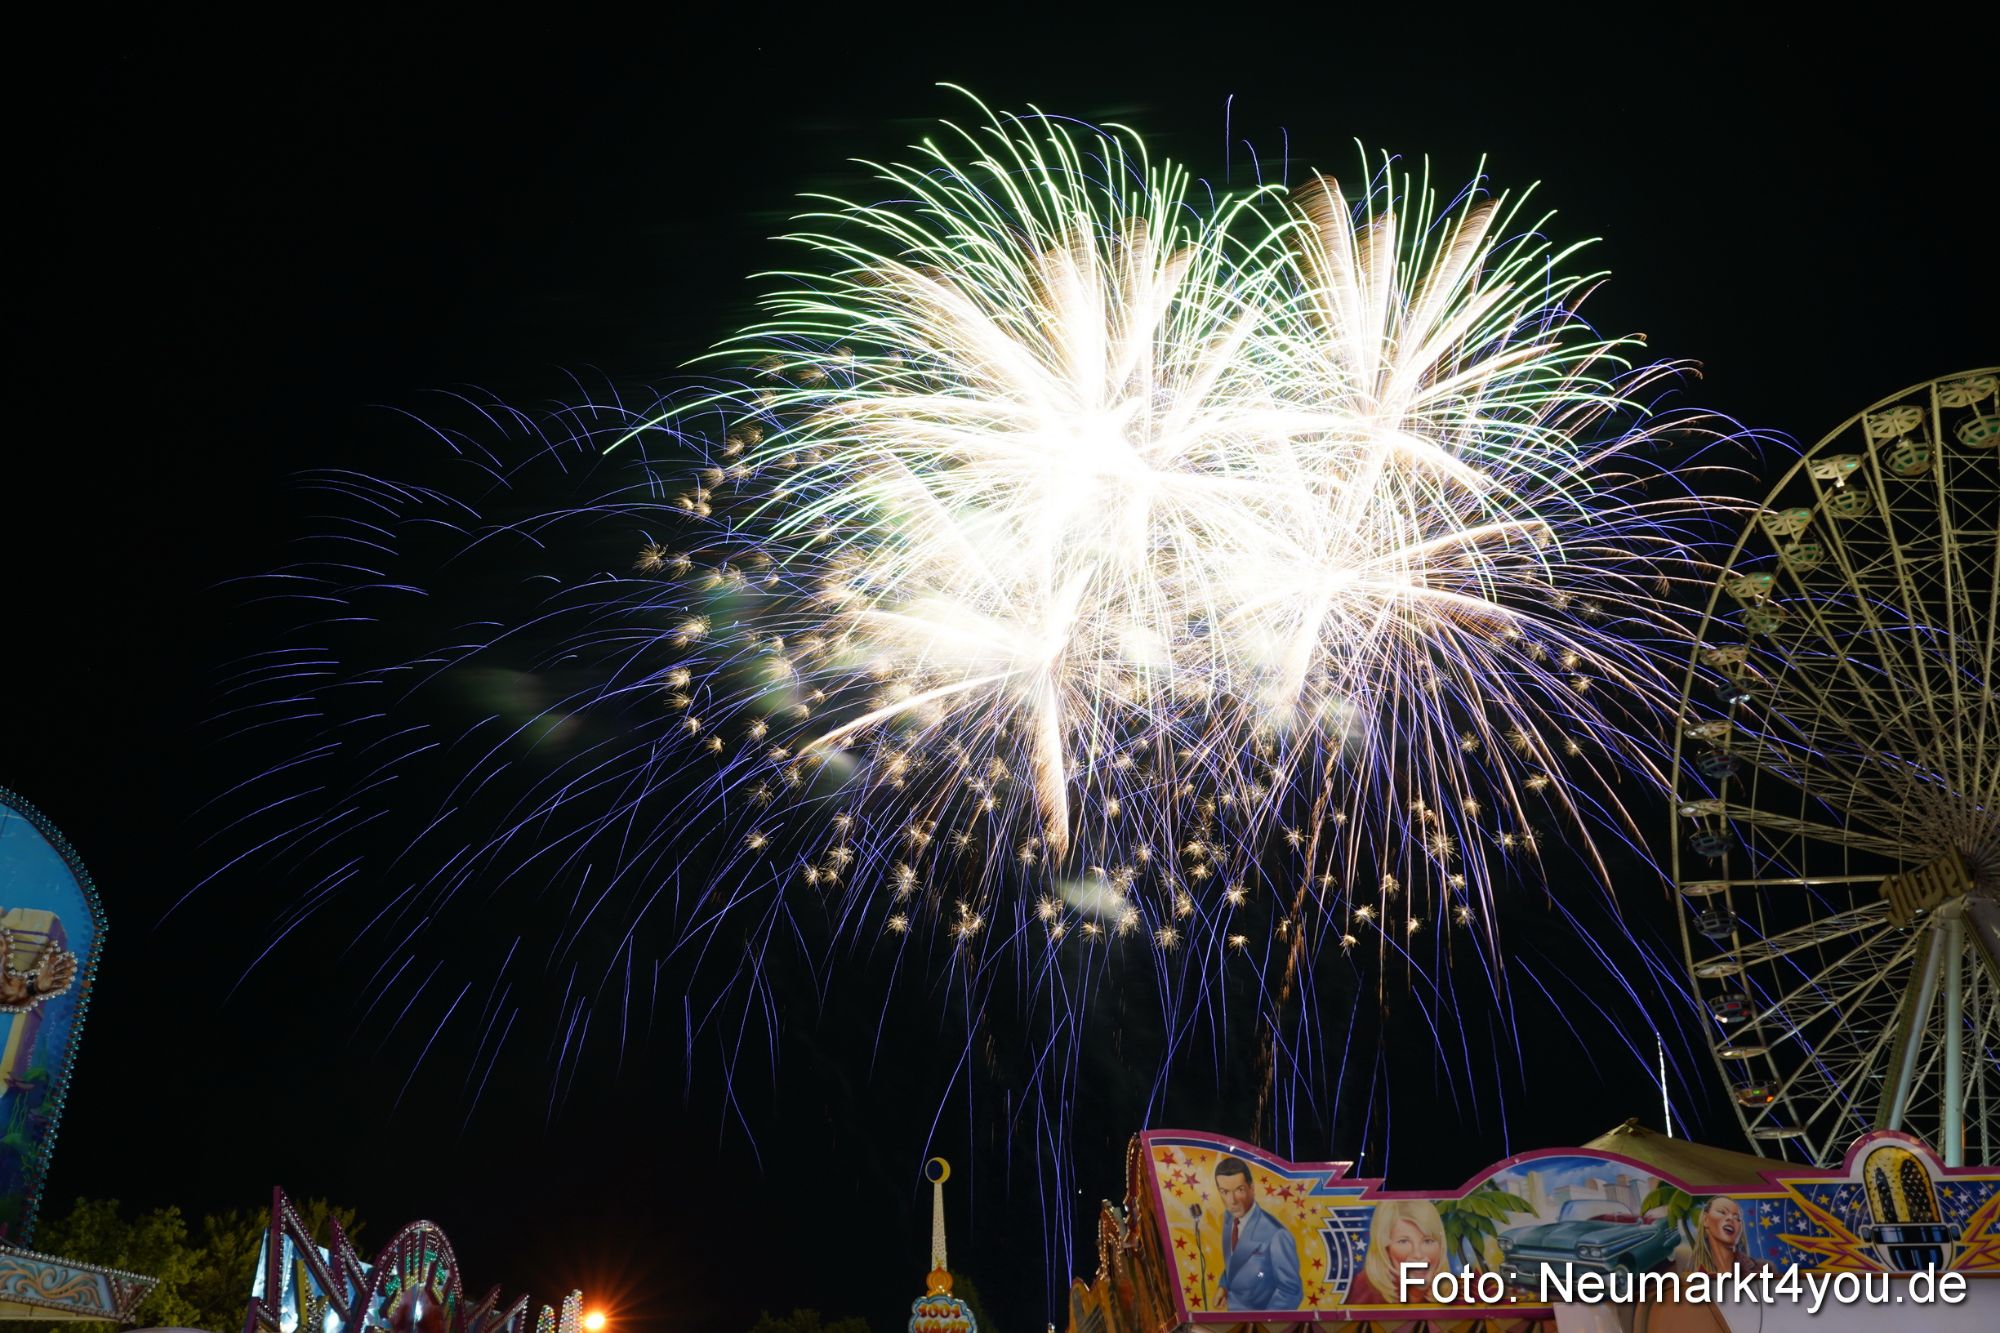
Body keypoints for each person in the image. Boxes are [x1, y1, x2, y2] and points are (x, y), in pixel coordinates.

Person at [1634, 1195, 1771, 1333]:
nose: (1731, 1219)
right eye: (1723, 1212)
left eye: (1737, 1218)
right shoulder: (1684, 1284)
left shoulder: (1764, 1270)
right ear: (1705, 1219)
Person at [1212, 1155, 1302, 1311]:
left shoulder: (1277, 1235)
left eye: (1239, 1190)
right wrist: (1224, 1285)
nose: (1231, 1200)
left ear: (1251, 1188)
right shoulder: (1229, 1219)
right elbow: (1236, 1261)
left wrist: (1263, 1324)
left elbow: (1291, 1291)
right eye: (1224, 1192)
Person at [1343, 1198, 1448, 1306]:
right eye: (1403, 1241)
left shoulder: (1456, 1292)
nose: (1418, 1254)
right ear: (1385, 1248)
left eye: (1427, 1241)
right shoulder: (1365, 1293)